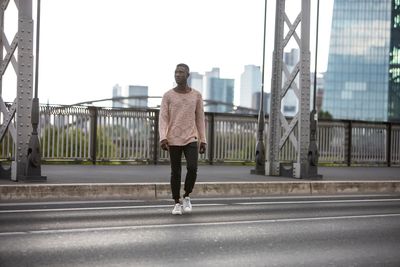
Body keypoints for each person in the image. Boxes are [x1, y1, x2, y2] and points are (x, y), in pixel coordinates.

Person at [159, 63, 207, 215]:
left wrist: (203, 139)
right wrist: (163, 137)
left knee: (192, 168)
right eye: (176, 72)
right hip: (173, 138)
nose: (177, 74)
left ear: (188, 75)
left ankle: (186, 195)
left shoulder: (196, 96)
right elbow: (163, 118)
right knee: (176, 172)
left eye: (181, 72)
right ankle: (176, 202)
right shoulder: (168, 95)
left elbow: (200, 119)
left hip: (191, 137)